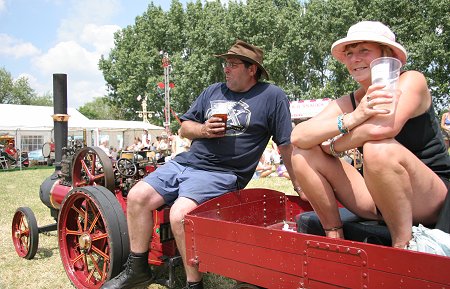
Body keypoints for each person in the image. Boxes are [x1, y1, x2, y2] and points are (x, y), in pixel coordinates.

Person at [102, 40, 300, 289]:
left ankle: (194, 284)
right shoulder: (213, 91)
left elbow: (285, 144)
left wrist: (298, 182)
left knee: (179, 215)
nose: (226, 69)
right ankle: (138, 270)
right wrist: (204, 129)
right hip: (186, 163)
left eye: (233, 64)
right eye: (225, 63)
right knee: (137, 195)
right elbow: (185, 127)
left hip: (223, 173)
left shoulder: (272, 96)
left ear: (252, 69)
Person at [291, 21, 450, 250]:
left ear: (387, 55)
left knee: (379, 148)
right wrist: (354, 117)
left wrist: (332, 146)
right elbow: (299, 135)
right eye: (349, 53)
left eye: (364, 50)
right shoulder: (353, 100)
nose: (355, 59)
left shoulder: (412, 80)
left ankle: (402, 247)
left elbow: (381, 129)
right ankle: (333, 237)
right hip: (378, 195)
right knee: (303, 153)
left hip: (431, 197)